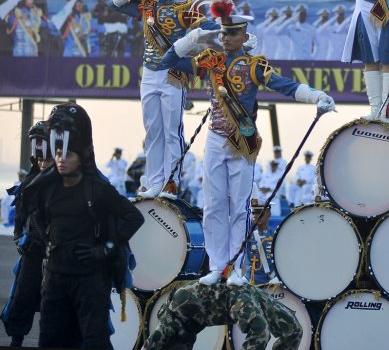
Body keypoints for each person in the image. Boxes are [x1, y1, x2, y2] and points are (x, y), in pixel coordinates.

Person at [159, 0, 335, 286]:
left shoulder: (254, 65)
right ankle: (217, 266)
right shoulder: (209, 60)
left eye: (232, 34)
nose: (225, 38)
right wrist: (191, 39)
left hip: (242, 139)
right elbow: (168, 61)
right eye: (223, 33)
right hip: (214, 138)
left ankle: (237, 268)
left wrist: (314, 96)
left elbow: (283, 85)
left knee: (239, 207)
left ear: (244, 37)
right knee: (213, 205)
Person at [24, 102, 144, 349]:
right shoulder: (45, 188)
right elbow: (33, 210)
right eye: (57, 153)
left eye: (68, 154)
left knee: (93, 341)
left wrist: (106, 249)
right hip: (55, 279)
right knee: (50, 340)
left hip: (90, 281)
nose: (61, 159)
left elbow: (134, 217)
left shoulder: (98, 188)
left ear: (82, 156)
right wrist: (48, 241)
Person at [110, 0, 212, 199]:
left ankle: (171, 181)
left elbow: (208, 26)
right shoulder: (146, 6)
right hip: (149, 75)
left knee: (171, 131)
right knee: (152, 131)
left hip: (172, 75)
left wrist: (228, 29)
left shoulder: (183, 9)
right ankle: (153, 181)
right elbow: (116, 3)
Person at [1, 121, 53, 347]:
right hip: (32, 252)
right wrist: (17, 238)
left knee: (56, 306)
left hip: (58, 256)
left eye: (46, 158)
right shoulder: (30, 182)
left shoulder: (69, 184)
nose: (42, 162)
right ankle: (16, 339)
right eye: (39, 158)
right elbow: (20, 217)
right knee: (23, 298)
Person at [144, 281, 302, 350]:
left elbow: (154, 342)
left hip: (236, 293)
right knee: (268, 331)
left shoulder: (178, 309)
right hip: (234, 294)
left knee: (294, 329)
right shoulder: (176, 317)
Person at [244, 199, 278, 285]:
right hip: (250, 282)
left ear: (269, 214)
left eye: (260, 213)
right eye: (253, 213)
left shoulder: (276, 235)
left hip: (271, 283)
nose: (256, 216)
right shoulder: (247, 235)